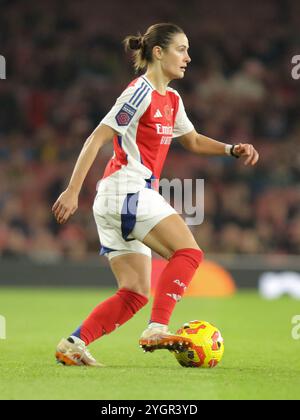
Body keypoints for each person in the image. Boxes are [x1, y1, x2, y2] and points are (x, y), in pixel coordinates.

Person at [52, 23, 259, 367]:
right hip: (126, 189)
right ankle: (157, 328)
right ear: (158, 52)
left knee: (134, 292)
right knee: (189, 253)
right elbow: (96, 138)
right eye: (181, 49)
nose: (188, 57)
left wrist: (231, 149)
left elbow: (191, 140)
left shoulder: (172, 99)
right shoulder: (140, 92)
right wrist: (72, 191)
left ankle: (74, 343)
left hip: (118, 198)